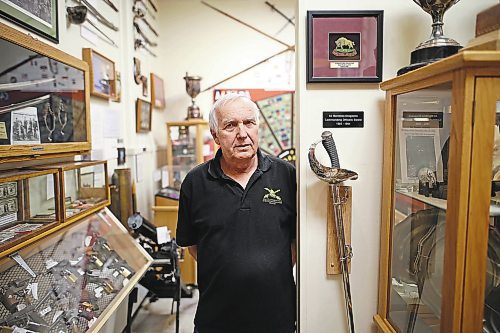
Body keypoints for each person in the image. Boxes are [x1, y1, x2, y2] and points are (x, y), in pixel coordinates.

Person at [176, 93, 297, 333]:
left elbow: (295, 241)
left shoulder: (287, 175)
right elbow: (194, 247)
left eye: (249, 123)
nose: (242, 133)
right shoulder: (195, 182)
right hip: (217, 319)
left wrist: (265, 269)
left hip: (277, 318)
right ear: (216, 136)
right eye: (230, 125)